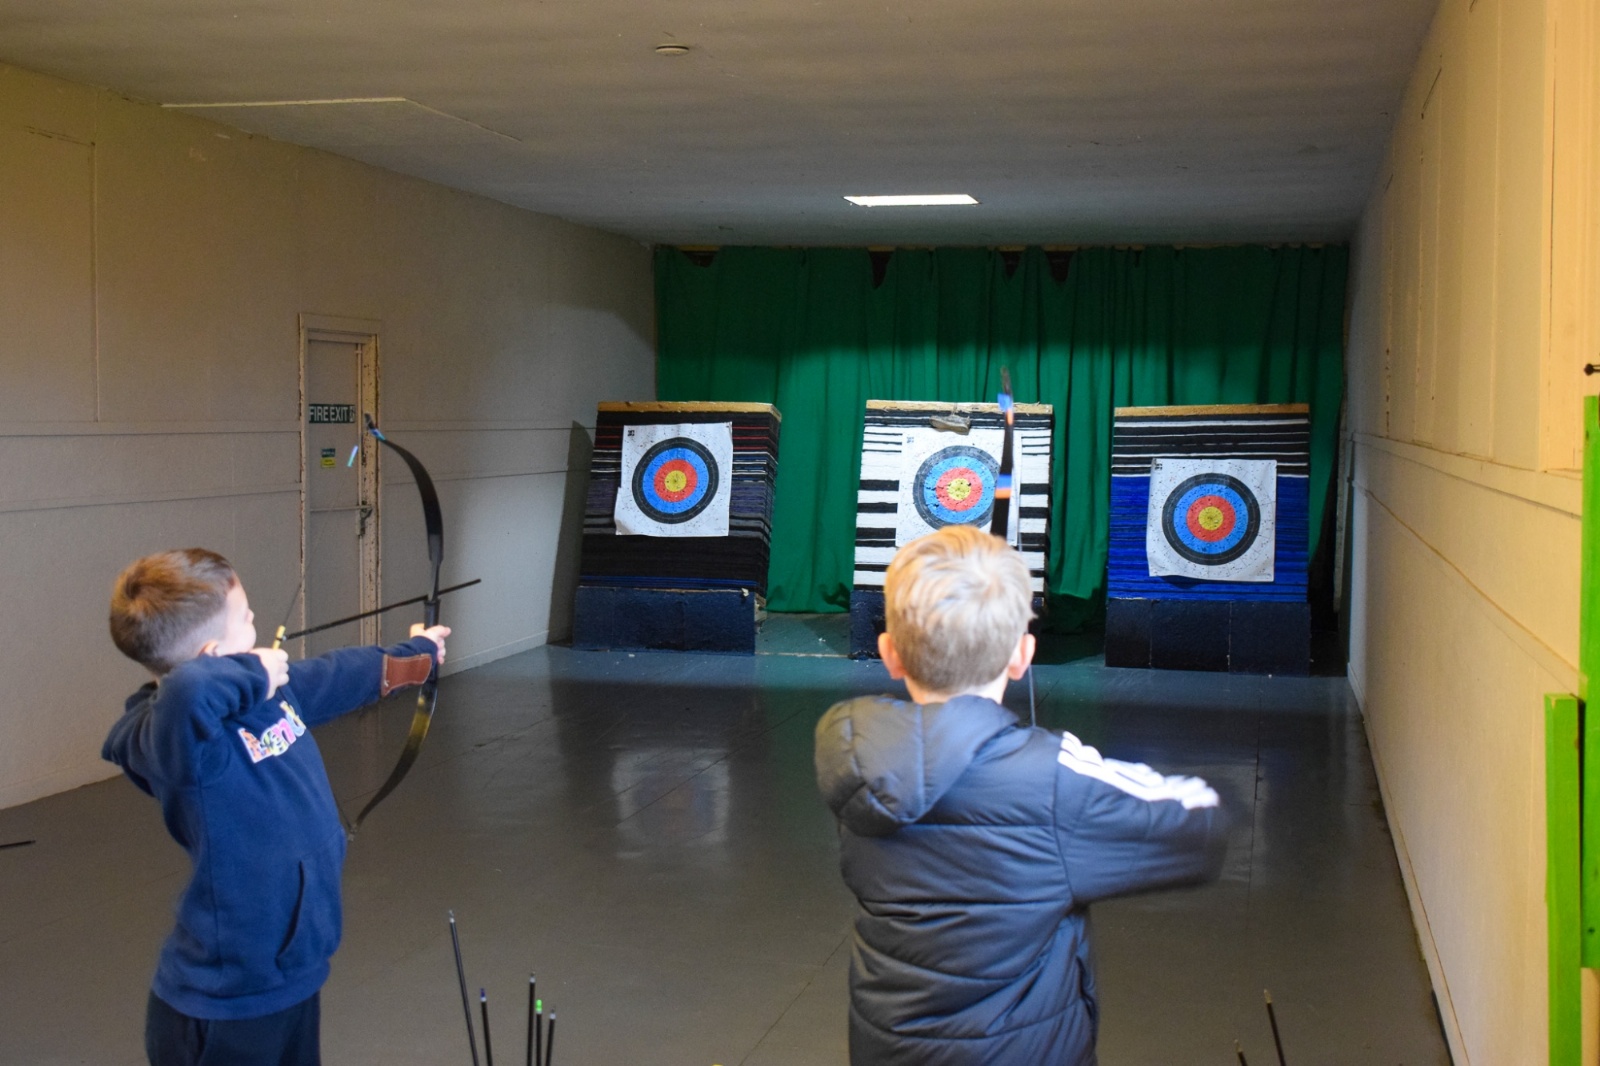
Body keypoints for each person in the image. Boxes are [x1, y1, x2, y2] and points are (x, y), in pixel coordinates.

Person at [814, 525, 1227, 1065]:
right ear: (1022, 655)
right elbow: (1199, 826)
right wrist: (1077, 762)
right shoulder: (1052, 780)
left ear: (890, 653)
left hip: (888, 1048)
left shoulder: (855, 750)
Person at [102, 548, 450, 1066]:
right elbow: (188, 692)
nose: (256, 623)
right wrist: (255, 671)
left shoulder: (267, 697)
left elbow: (339, 674)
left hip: (291, 977)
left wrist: (417, 655)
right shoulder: (174, 741)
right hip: (223, 1007)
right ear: (213, 653)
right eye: (246, 618)